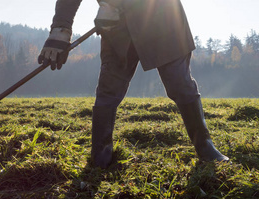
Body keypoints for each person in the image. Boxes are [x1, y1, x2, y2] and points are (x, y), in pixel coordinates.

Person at [38, 0, 229, 168]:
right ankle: (100, 154)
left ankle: (205, 146)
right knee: (108, 89)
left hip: (162, 16)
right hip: (117, 27)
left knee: (180, 83)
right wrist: (60, 30)